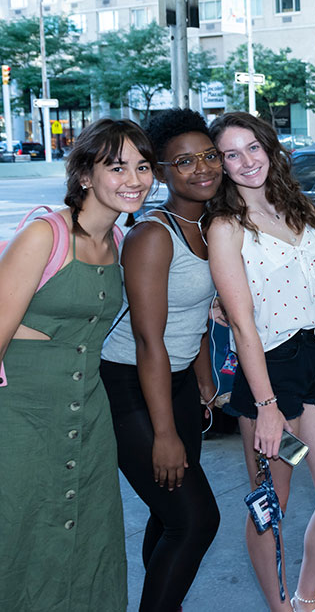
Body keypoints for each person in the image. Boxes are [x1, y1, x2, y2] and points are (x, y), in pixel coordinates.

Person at [0, 118, 155, 610]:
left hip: (86, 414)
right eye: (118, 167)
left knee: (87, 536)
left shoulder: (119, 245)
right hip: (21, 417)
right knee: (19, 532)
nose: (134, 178)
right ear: (86, 175)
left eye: (143, 166)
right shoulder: (46, 235)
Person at [207, 112, 315, 612]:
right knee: (272, 508)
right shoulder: (227, 228)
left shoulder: (303, 211)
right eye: (232, 153)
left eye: (253, 147)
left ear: (269, 148)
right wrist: (268, 405)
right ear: (223, 165)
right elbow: (244, 325)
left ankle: (307, 598)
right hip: (271, 372)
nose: (247, 161)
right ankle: (282, 608)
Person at [99, 109, 222, 611]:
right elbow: (149, 340)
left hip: (175, 382)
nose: (202, 168)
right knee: (195, 520)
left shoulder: (211, 225)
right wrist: (166, 433)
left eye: (209, 156)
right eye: (185, 161)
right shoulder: (153, 235)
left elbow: (192, 319)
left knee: (167, 516)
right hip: (131, 385)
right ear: (164, 171)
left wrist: (204, 382)